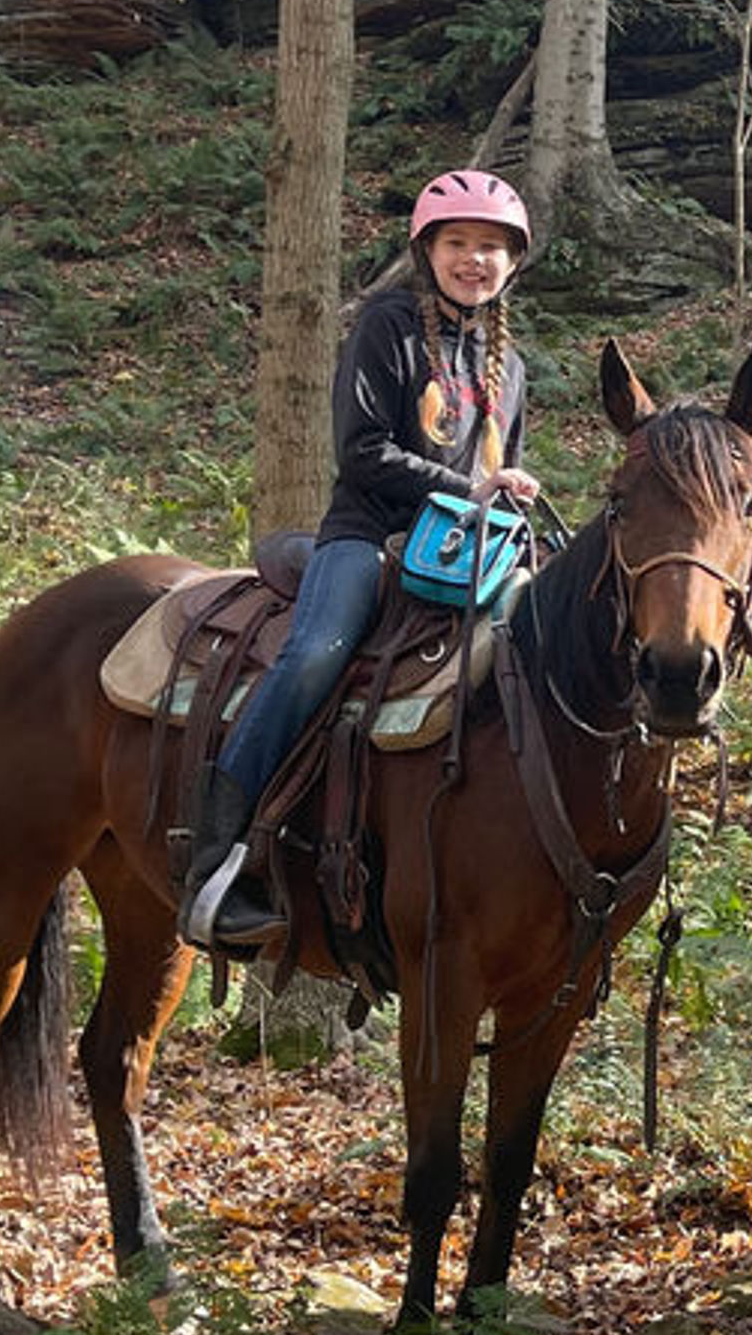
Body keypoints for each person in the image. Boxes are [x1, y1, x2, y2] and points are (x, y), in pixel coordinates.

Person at [179, 167, 543, 951]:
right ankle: (215, 858)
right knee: (317, 654)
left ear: (512, 261)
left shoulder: (510, 367)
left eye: (490, 247)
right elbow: (364, 449)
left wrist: (510, 505)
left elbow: (499, 473)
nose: (474, 260)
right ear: (427, 251)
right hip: (369, 538)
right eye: (458, 244)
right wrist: (474, 487)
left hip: (463, 555)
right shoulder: (387, 327)